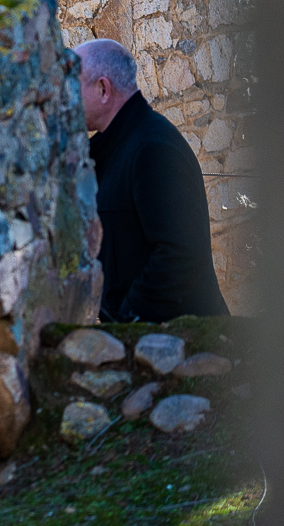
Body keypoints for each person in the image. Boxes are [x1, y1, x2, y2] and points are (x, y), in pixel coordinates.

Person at [76, 38, 230, 322]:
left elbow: (180, 256)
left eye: (74, 85)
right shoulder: (115, 146)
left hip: (180, 346)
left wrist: (128, 319)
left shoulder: (155, 149)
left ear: (102, 89)